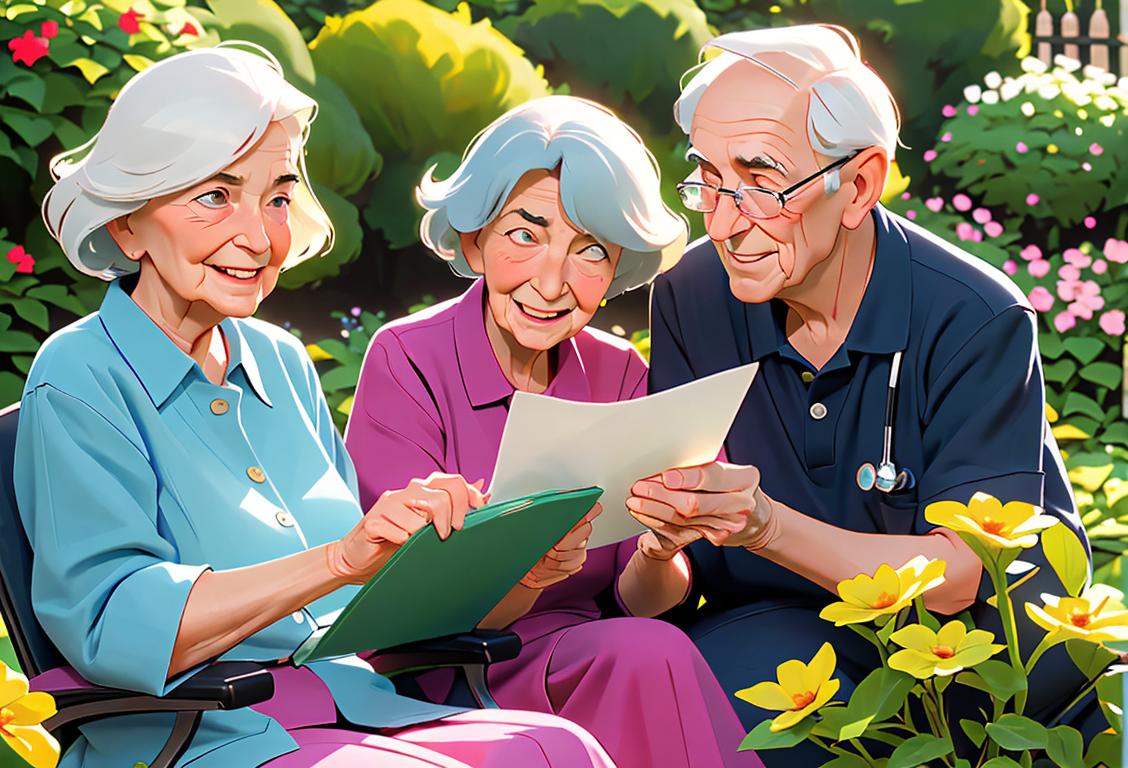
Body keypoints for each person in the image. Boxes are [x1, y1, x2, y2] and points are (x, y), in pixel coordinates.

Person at [14, 44, 616, 768]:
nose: (259, 236)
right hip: (197, 735)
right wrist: (340, 559)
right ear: (126, 222)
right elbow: (111, 626)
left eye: (275, 197)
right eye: (214, 196)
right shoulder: (79, 374)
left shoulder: (281, 361)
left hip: (352, 707)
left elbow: (364, 612)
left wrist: (504, 558)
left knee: (562, 749)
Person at [620, 24, 1092, 765]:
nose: (721, 221)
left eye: (760, 182)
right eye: (707, 178)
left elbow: (959, 577)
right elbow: (674, 586)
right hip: (781, 629)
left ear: (860, 183)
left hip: (972, 664)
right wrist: (658, 540)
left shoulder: (975, 317)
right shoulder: (691, 297)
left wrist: (763, 526)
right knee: (667, 694)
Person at [345, 96, 761, 768]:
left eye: (590, 250)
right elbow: (403, 615)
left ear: (618, 265)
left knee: (649, 650)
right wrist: (531, 575)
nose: (551, 281)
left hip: (591, 655)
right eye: (525, 234)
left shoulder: (620, 368)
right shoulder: (406, 359)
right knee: (644, 658)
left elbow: (641, 601)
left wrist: (660, 548)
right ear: (476, 238)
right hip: (446, 669)